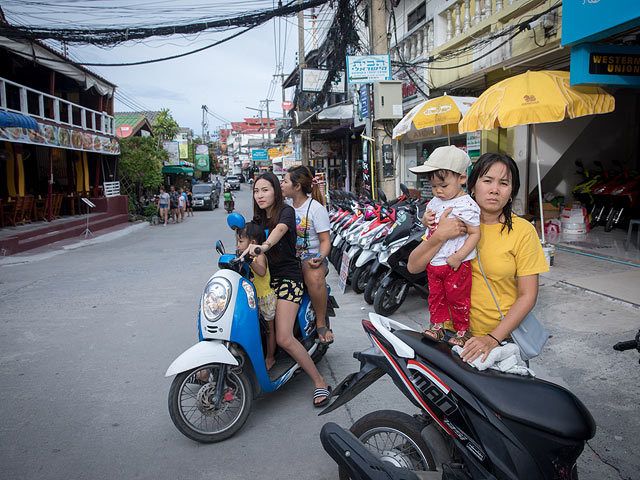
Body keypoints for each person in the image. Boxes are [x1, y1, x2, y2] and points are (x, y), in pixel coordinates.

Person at [407, 152, 548, 364]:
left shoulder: (523, 231)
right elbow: (413, 266)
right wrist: (441, 234)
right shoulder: (447, 217)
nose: (494, 189)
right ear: (472, 185)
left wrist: (492, 339)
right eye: (487, 180)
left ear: (511, 192)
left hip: (499, 341)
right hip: (450, 336)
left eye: (504, 183)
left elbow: (528, 296)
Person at [241, 172, 331, 407]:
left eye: (265, 190)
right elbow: (247, 240)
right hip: (264, 279)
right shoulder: (257, 220)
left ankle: (320, 382)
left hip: (288, 279)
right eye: (256, 191)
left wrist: (263, 246)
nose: (260, 195)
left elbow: (279, 230)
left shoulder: (286, 212)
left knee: (283, 337)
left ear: (276, 192)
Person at [408, 146, 481, 347]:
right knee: (436, 298)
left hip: (456, 264)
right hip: (434, 262)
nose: (438, 191)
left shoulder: (467, 205)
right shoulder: (436, 200)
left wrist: (460, 256)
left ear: (462, 179)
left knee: (458, 299)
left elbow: (475, 234)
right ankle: (438, 327)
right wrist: (425, 219)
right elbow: (428, 222)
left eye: (444, 185)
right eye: (433, 186)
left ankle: (462, 331)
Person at [281, 166, 333, 345]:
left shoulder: (316, 209)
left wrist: (319, 257)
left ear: (296, 187)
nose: (282, 185)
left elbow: (325, 241)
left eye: (285, 181)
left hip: (310, 257)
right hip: (288, 258)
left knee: (314, 274)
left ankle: (320, 323)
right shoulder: (284, 206)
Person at [236, 221, 277, 370]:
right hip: (252, 299)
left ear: (252, 242)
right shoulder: (244, 255)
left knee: (269, 330)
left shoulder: (259, 255)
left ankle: (270, 357)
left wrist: (250, 260)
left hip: (265, 298)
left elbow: (261, 271)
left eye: (241, 241)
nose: (238, 245)